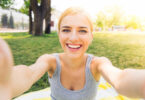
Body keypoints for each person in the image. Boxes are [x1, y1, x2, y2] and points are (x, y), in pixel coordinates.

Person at [0, 7, 145, 100]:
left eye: (82, 30)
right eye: (66, 30)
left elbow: (121, 78)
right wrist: (5, 84)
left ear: (91, 36)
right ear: (59, 35)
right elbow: (28, 73)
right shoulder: (50, 61)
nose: (74, 37)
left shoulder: (97, 64)